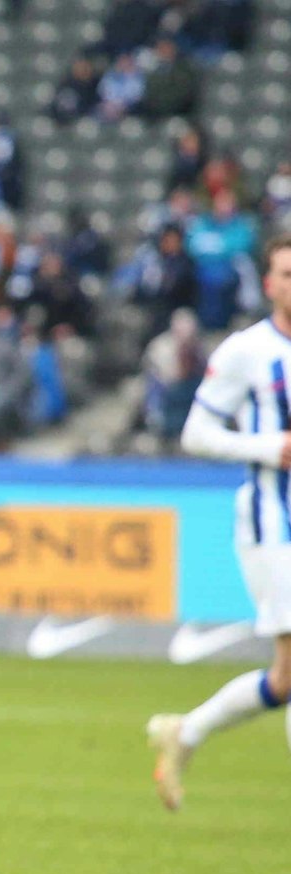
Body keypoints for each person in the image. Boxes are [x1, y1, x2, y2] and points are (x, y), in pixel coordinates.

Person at [148, 234, 291, 810]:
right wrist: (267, 446)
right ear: (268, 282)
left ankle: (188, 730)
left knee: (284, 679)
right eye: (284, 273)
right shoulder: (247, 351)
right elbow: (195, 433)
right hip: (270, 521)